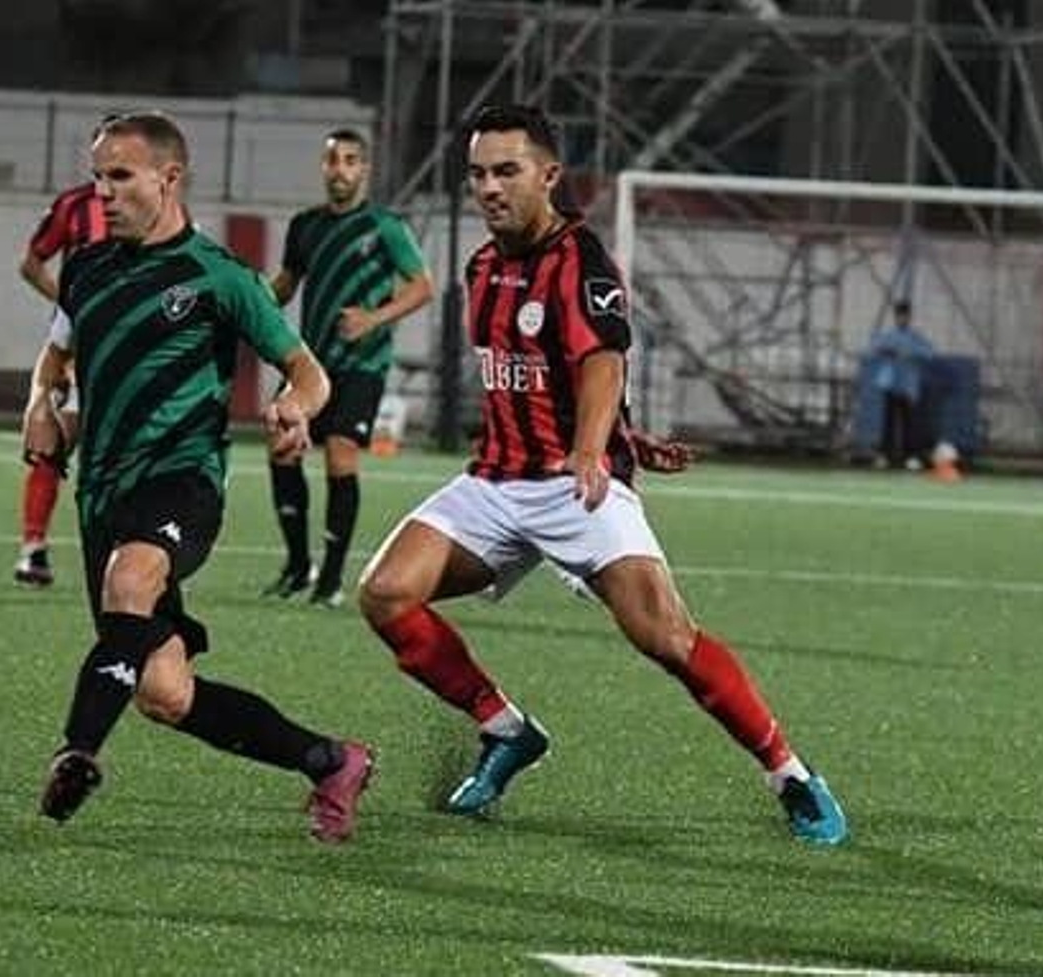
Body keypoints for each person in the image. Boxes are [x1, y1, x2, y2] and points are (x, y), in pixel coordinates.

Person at [356, 104, 848, 846]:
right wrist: (626, 430)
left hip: (574, 483)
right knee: (387, 594)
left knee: (666, 637)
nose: (489, 187)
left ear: (549, 175)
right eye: (479, 174)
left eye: (507, 171)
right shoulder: (482, 266)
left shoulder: (581, 260)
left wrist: (594, 446)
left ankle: (793, 776)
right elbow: (542, 374)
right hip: (495, 480)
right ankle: (505, 731)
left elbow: (602, 359)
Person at [24, 111, 373, 843]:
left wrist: (292, 406)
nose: (104, 193)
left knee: (131, 582)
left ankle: (77, 750)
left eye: (120, 176)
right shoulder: (85, 268)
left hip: (183, 481)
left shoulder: (220, 276)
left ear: (169, 177)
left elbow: (308, 371)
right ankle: (333, 760)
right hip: (101, 492)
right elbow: (55, 360)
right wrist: (41, 407)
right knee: (164, 691)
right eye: (98, 177)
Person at [262, 128, 434, 606]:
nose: (340, 169)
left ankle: (331, 580)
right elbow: (285, 285)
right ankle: (298, 567)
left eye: (351, 160)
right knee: (282, 447)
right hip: (309, 364)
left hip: (362, 365)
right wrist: (246, 301)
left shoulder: (384, 226)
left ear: (365, 169)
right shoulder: (305, 226)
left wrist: (373, 319)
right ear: (323, 167)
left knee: (340, 452)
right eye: (333, 160)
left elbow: (422, 286)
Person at [13, 130, 109, 587]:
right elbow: (31, 263)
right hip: (76, 349)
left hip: (131, 356)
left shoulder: (161, 214)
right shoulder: (73, 206)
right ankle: (33, 548)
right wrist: (72, 301)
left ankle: (138, 555)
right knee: (53, 441)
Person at [867, 299, 934, 471]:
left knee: (909, 423)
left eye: (905, 316)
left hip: (909, 387)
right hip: (891, 384)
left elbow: (930, 353)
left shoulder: (915, 337)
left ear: (909, 317)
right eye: (899, 316)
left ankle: (910, 457)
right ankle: (884, 456)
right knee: (888, 422)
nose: (902, 319)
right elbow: (873, 348)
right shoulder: (888, 335)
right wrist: (887, 351)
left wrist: (910, 353)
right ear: (895, 317)